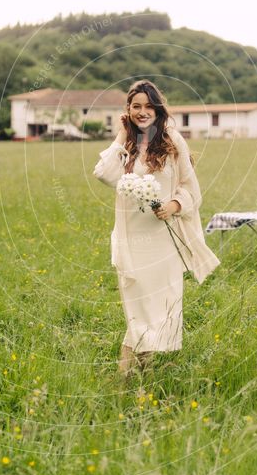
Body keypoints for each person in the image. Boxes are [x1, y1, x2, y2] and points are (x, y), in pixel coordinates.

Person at [93, 79, 220, 377]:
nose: (143, 111)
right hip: (132, 241)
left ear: (158, 108)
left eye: (148, 105)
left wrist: (174, 206)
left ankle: (142, 377)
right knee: (137, 315)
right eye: (136, 106)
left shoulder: (173, 140)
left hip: (162, 242)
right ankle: (125, 380)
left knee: (160, 313)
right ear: (128, 110)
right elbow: (103, 173)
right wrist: (122, 134)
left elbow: (191, 190)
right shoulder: (125, 143)